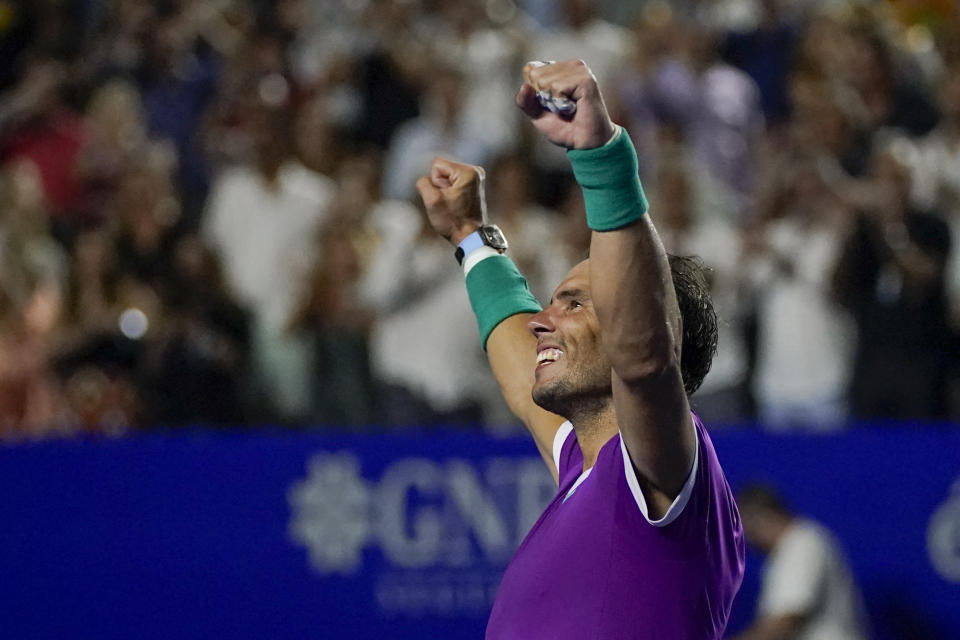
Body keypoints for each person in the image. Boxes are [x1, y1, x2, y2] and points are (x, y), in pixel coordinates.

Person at [416, 59, 744, 639]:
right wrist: (472, 239)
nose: (543, 321)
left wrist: (600, 156)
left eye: (573, 303)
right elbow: (523, 383)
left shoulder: (657, 466)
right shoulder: (583, 466)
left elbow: (644, 360)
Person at [733, 483, 869, 640]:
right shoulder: (789, 550)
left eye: (745, 527)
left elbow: (785, 621)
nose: (746, 538)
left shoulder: (802, 545)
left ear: (760, 517)